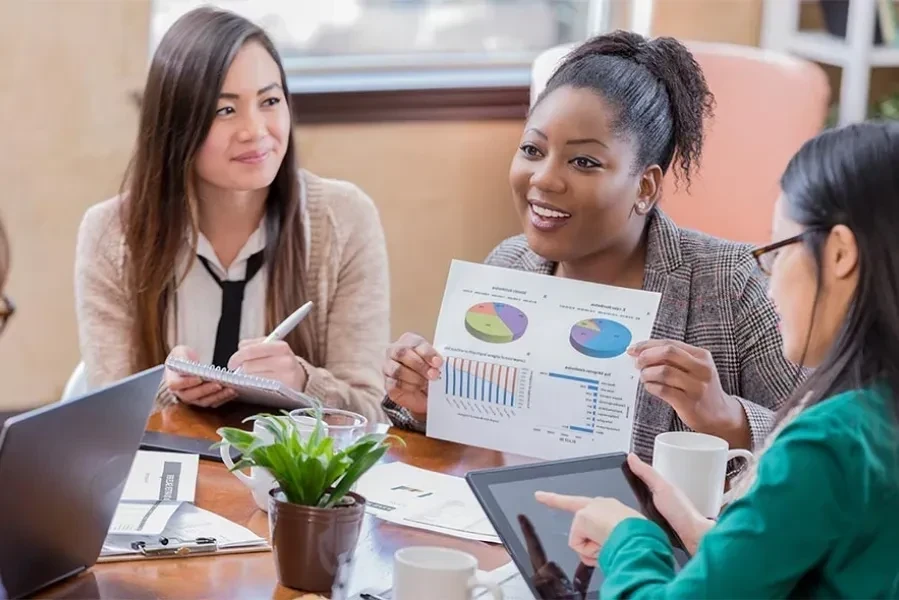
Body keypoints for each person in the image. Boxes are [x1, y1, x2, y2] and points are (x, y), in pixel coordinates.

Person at [382, 31, 798, 460]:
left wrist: (726, 419)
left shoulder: (733, 285)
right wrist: (427, 404)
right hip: (509, 520)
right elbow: (468, 445)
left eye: (584, 162)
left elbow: (830, 451)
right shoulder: (508, 266)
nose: (543, 178)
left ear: (646, 186)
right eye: (531, 149)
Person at [536, 120, 899, 597]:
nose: (768, 282)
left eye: (776, 250)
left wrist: (630, 539)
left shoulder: (826, 442)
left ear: (838, 254)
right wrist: (706, 536)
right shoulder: (877, 418)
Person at [74, 8, 389, 423]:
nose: (255, 130)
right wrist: (168, 392)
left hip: (291, 486)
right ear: (176, 125)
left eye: (270, 101)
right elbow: (108, 417)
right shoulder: (111, 233)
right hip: (168, 480)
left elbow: (372, 415)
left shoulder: (344, 218)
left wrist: (299, 380)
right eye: (225, 110)